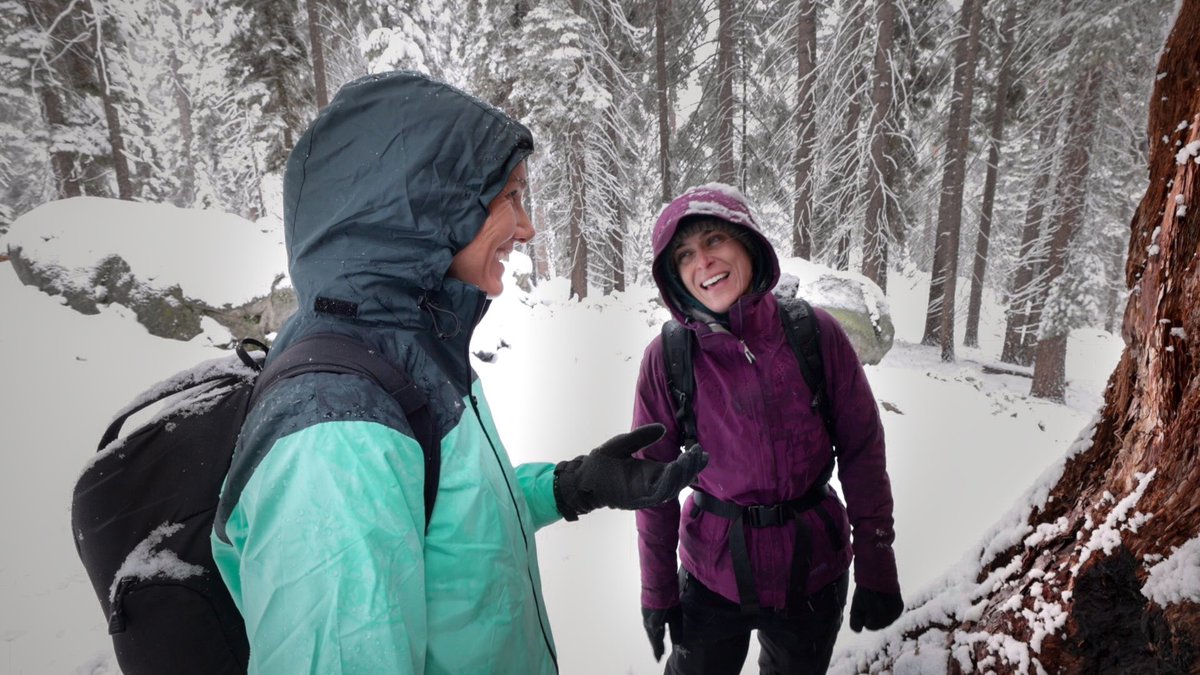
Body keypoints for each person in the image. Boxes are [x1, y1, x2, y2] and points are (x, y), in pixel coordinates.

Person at [210, 70, 707, 674]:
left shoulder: (412, 352)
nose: (527, 228)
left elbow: (446, 525)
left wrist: (574, 485)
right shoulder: (337, 435)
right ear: (427, 205)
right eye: (510, 197)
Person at [633, 183, 903, 674]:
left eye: (714, 239)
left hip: (813, 570)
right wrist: (657, 590)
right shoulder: (668, 357)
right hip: (712, 575)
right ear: (674, 275)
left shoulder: (814, 333)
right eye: (685, 254)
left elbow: (863, 450)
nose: (703, 262)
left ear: (748, 243)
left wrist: (876, 560)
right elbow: (653, 486)